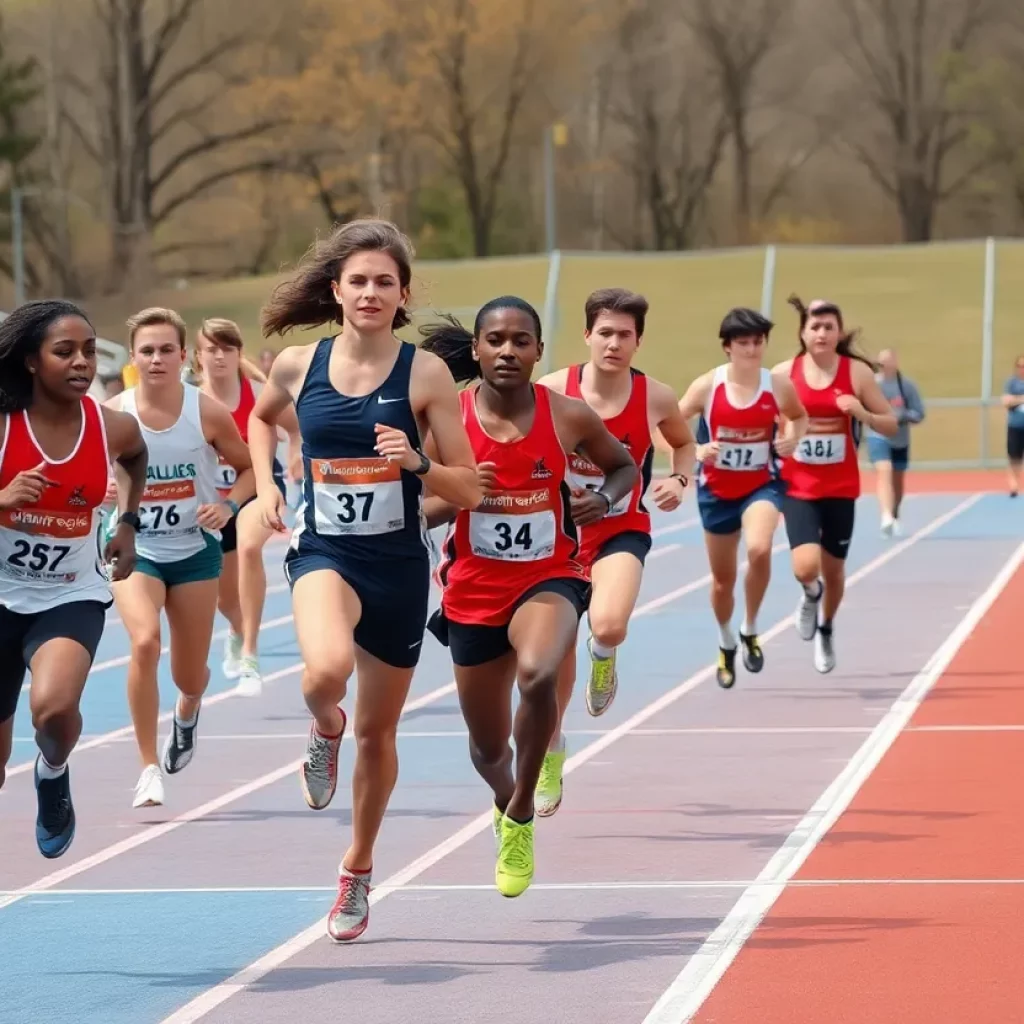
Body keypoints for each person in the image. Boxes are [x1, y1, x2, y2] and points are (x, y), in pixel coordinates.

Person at [250, 217, 481, 943]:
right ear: (336, 290)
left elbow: (469, 488)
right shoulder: (297, 367)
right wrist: (264, 486)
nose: (372, 292)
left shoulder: (427, 374)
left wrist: (416, 466)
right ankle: (325, 726)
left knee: (380, 735)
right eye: (359, 281)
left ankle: (357, 867)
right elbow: (260, 422)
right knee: (325, 671)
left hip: (398, 567)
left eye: (385, 281)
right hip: (325, 550)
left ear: (403, 293)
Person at [420, 296, 638, 898]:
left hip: (549, 575)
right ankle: (507, 801)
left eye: (521, 341)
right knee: (489, 747)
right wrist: (462, 493)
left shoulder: (567, 414)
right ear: (476, 351)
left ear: (539, 351)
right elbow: (421, 510)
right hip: (471, 591)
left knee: (540, 673)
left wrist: (604, 499)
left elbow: (623, 467)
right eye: (496, 340)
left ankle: (518, 815)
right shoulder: (449, 421)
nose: (508, 351)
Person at [534, 286, 694, 816]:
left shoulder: (656, 396)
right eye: (605, 332)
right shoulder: (553, 390)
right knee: (552, 666)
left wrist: (680, 478)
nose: (614, 343)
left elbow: (684, 442)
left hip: (621, 527)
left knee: (608, 624)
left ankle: (604, 658)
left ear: (638, 342)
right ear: (587, 336)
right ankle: (551, 751)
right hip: (559, 537)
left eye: (625, 335)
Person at [0, 299, 147, 858]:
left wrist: (126, 524)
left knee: (55, 709)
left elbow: (135, 457)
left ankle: (53, 769)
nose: (82, 362)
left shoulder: (110, 425)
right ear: (32, 361)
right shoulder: (5, 425)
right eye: (65, 352)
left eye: (88, 350)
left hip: (69, 592)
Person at [105, 307, 255, 810]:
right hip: (136, 551)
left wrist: (229, 504)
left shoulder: (206, 412)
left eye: (166, 349)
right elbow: (73, 476)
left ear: (183, 355)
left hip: (194, 553)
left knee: (189, 677)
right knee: (144, 642)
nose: (156, 359)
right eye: (146, 350)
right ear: (132, 359)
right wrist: (101, 494)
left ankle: (187, 713)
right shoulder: (112, 414)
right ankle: (148, 768)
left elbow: (251, 470)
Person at [679, 307, 808, 688]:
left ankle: (751, 627)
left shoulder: (778, 385)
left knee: (760, 549)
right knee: (722, 581)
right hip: (716, 493)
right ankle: (726, 640)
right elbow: (667, 427)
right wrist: (697, 451)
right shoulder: (707, 386)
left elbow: (799, 416)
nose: (752, 350)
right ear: (727, 348)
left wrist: (793, 438)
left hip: (760, 485)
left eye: (758, 342)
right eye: (743, 343)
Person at [774, 296, 897, 673]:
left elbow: (891, 423)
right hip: (798, 486)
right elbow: (766, 424)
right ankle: (810, 594)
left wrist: (860, 412)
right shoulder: (782, 374)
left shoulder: (856, 374)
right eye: (815, 326)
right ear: (803, 332)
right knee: (804, 567)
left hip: (841, 487)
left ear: (838, 332)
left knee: (835, 569)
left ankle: (825, 628)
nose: (822, 333)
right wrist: (780, 441)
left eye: (829, 327)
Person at [193, 318, 301, 693]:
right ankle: (237, 632)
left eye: (227, 348)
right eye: (211, 349)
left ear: (239, 354)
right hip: (212, 504)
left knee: (251, 546)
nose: (219, 356)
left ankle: (251, 656)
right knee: (226, 598)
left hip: (261, 489)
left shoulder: (258, 392)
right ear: (198, 357)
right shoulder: (192, 401)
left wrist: (296, 451)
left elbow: (296, 426)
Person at [866, 348, 925, 536]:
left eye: (886, 362)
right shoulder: (871, 384)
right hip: (878, 436)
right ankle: (885, 516)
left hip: (900, 438)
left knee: (897, 480)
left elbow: (919, 413)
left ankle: (894, 512)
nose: (883, 367)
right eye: (880, 363)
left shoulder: (907, 386)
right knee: (885, 470)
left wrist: (903, 416)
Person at [1001, 355, 1024, 498]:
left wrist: (1016, 399)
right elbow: (1006, 401)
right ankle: (1014, 485)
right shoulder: (1012, 383)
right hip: (1015, 425)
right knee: (1014, 457)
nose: (1022, 369)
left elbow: (1012, 400)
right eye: (1020, 366)